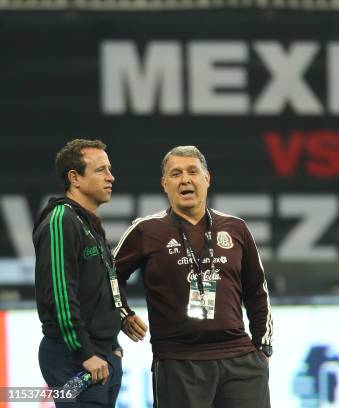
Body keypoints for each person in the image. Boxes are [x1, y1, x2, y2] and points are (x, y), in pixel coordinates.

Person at [114, 145, 273, 408]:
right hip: (179, 360)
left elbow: (257, 291)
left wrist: (263, 347)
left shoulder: (236, 228)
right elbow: (109, 277)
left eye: (192, 172)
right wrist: (123, 314)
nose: (185, 179)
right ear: (165, 184)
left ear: (207, 179)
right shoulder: (145, 230)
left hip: (240, 360)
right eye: (176, 174)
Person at [33, 139, 123, 407]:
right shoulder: (62, 220)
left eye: (110, 169)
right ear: (74, 178)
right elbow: (60, 292)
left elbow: (101, 288)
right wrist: (84, 352)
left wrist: (113, 345)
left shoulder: (87, 222)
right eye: (101, 170)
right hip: (75, 357)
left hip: (101, 354)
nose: (111, 177)